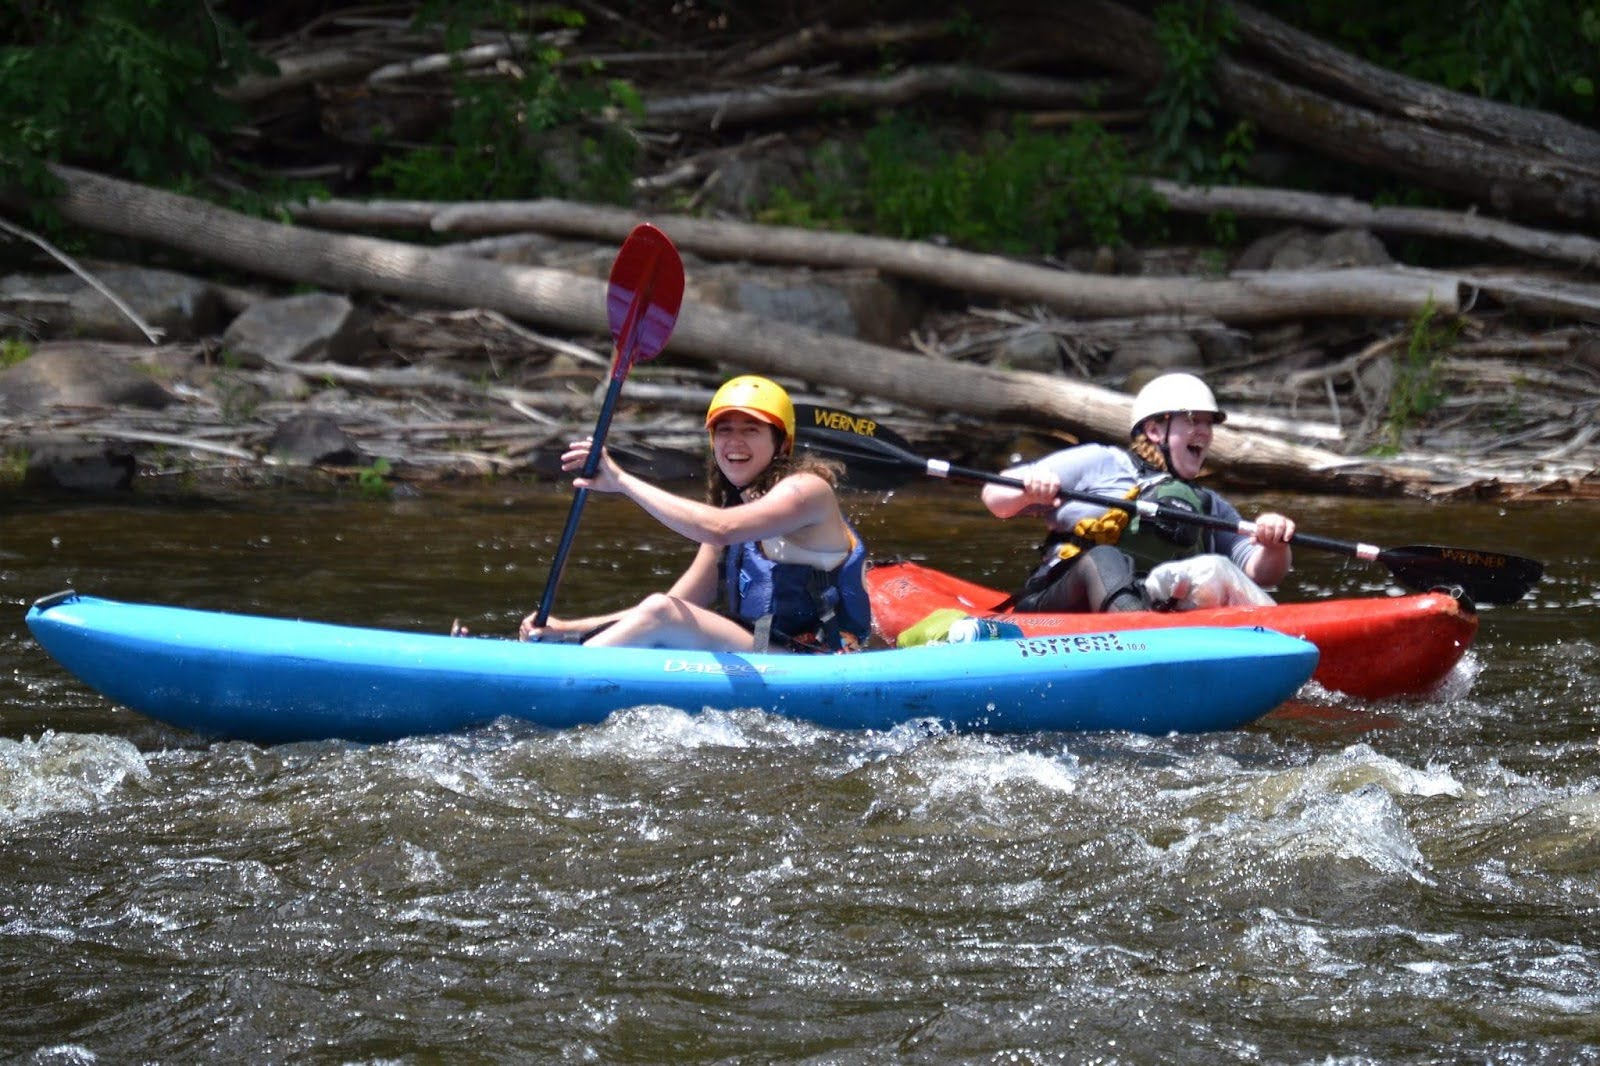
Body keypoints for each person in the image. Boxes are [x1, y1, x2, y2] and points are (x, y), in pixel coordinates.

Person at [520, 375, 872, 651]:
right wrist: (571, 628)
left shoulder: (806, 490)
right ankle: (572, 655)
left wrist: (622, 481)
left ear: (781, 444)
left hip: (815, 660)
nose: (735, 442)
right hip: (766, 650)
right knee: (661, 609)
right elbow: (680, 603)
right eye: (724, 430)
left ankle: (560, 675)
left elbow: (718, 530)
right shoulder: (733, 509)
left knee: (662, 612)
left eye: (751, 430)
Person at [979, 372, 1296, 613]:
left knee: (1218, 570)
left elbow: (1260, 574)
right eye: (1192, 420)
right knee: (1102, 557)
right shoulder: (1103, 462)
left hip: (1154, 612)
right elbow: (995, 498)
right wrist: (1031, 487)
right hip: (1061, 604)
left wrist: (1274, 544)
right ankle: (1135, 624)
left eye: (1208, 424)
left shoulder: (1209, 506)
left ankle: (1291, 645)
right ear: (1155, 430)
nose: (1204, 432)